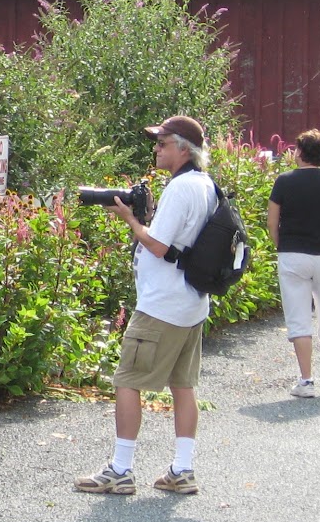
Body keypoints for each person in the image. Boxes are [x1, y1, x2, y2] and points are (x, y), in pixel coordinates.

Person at [76, 115, 218, 496]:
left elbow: (157, 244)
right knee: (183, 386)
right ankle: (182, 470)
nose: (156, 150)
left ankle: (121, 470)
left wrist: (130, 221)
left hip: (162, 305)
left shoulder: (181, 189)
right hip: (191, 303)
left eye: (162, 144)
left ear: (183, 149)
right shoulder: (205, 185)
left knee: (127, 381)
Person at [267, 130, 320, 397]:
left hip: (293, 253)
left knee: (298, 318)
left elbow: (272, 222)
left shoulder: (284, 181)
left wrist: (282, 246)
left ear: (300, 153)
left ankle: (306, 381)